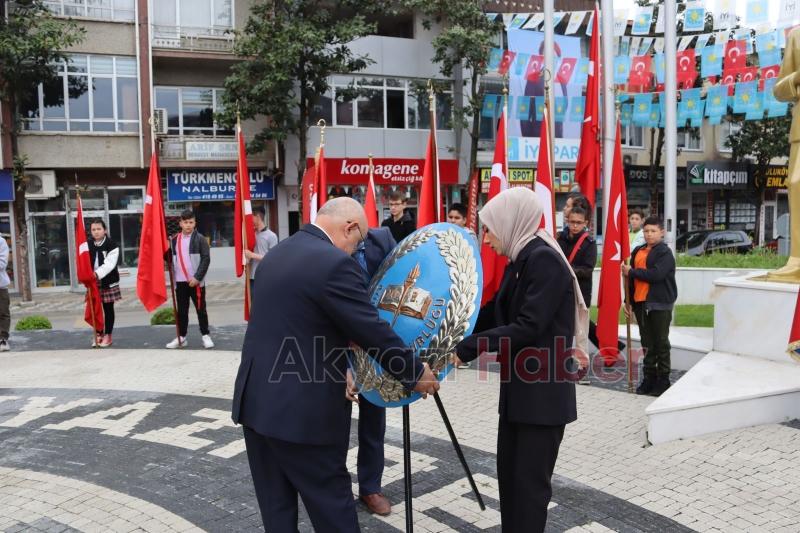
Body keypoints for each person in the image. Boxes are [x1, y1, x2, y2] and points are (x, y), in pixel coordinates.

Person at [232, 197, 440, 533]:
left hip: (256, 406)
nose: (353, 251)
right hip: (302, 413)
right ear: (350, 227)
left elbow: (297, 325)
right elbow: (371, 329)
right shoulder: (334, 264)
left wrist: (337, 364)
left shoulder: (278, 254)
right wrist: (414, 372)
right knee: (334, 511)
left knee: (277, 513)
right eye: (357, 243)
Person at [453, 187, 588, 533]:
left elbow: (529, 326)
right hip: (519, 398)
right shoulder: (521, 261)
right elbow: (494, 313)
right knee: (510, 485)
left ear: (511, 223)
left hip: (541, 401)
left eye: (490, 229)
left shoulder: (543, 260)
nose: (487, 239)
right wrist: (451, 328)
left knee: (528, 492)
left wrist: (469, 348)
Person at [347, 225, 396, 516]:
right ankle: (333, 485)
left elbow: (404, 274)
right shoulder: (327, 249)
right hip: (340, 344)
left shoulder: (383, 239)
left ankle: (370, 487)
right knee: (334, 420)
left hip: (376, 342)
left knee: (373, 420)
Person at [622, 216, 677, 397]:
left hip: (660, 303)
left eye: (653, 231)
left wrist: (632, 271)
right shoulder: (638, 250)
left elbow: (657, 274)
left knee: (661, 342)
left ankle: (663, 380)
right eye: (646, 231)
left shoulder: (665, 253)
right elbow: (631, 280)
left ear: (662, 232)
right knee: (647, 344)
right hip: (640, 303)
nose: (649, 234)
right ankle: (649, 379)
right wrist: (627, 301)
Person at [166, 209, 213, 350]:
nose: (188, 225)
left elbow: (206, 259)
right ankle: (182, 336)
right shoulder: (173, 240)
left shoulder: (200, 239)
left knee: (201, 309)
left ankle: (205, 335)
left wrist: (197, 277)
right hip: (180, 281)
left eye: (190, 222)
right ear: (180, 223)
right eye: (185, 222)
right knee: (182, 311)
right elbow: (168, 259)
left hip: (196, 281)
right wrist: (164, 248)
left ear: (195, 223)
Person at [89, 219, 120, 348]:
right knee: (95, 309)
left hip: (108, 281)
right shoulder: (88, 244)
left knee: (108, 309)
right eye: (93, 230)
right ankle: (98, 333)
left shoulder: (112, 244)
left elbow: (109, 264)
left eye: (99, 229)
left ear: (105, 230)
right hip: (93, 282)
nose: (96, 232)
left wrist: (96, 274)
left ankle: (108, 334)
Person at [244, 207, 278, 292]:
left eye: (251, 216)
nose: (250, 219)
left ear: (258, 216)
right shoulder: (251, 235)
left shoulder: (271, 236)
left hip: (265, 276)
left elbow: (272, 259)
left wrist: (252, 255)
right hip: (251, 276)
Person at [0, 235, 10, 352]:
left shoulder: (1, 241)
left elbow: (2, 263)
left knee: (3, 313)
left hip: (0, 286)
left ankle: (3, 339)